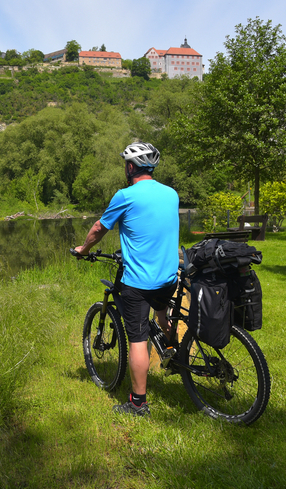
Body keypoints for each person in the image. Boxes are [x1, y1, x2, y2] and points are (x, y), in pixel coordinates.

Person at [73, 142, 179, 417]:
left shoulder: (125, 196)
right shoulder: (171, 194)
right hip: (168, 277)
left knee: (137, 340)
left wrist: (82, 250)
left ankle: (137, 403)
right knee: (162, 315)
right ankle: (174, 352)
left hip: (140, 283)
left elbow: (99, 228)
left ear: (130, 167)